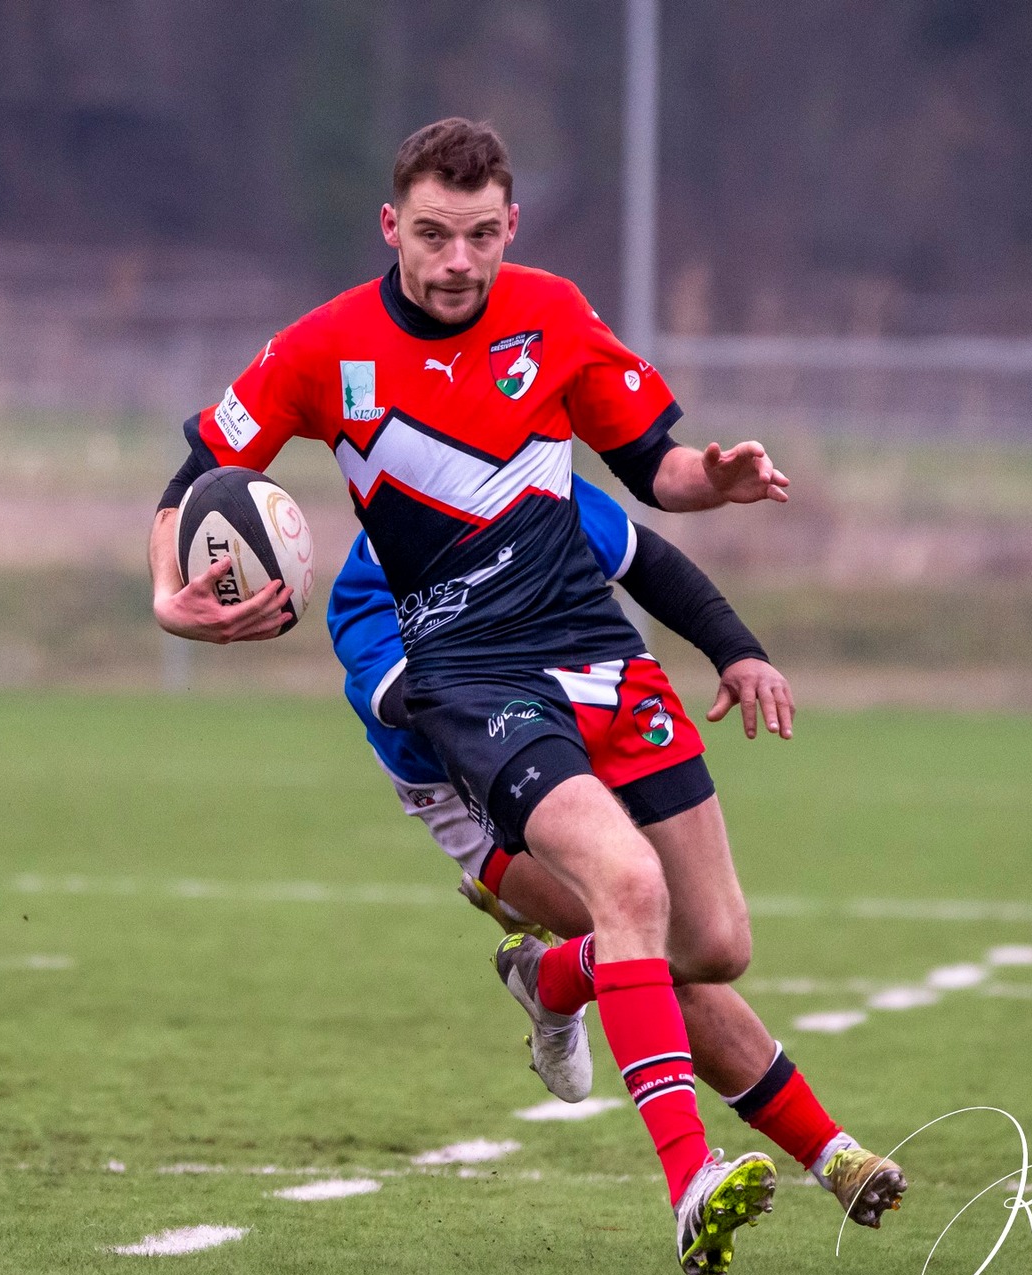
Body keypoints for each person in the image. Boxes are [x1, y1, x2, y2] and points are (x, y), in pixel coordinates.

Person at [148, 116, 903, 1275]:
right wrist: (169, 596)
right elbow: (199, 468)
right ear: (390, 227)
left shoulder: (551, 333)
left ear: (513, 226)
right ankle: (696, 1178)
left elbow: (653, 481)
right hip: (468, 689)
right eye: (432, 235)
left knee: (708, 944)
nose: (457, 262)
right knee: (627, 887)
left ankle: (551, 978)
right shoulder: (326, 353)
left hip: (596, 658)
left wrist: (715, 488)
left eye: (480, 235)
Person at [327, 471, 909, 1235]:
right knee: (646, 933)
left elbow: (645, 557)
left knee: (712, 946)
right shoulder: (366, 587)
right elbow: (411, 699)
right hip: (462, 781)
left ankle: (553, 976)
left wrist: (737, 649)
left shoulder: (526, 486)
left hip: (576, 719)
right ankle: (828, 1153)